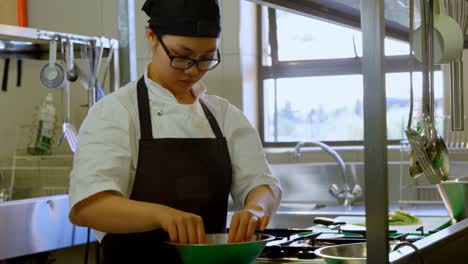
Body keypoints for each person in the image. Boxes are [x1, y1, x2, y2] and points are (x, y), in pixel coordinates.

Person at [68, 0, 282, 262]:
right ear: (152, 37)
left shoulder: (224, 115)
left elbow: (262, 183)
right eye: (182, 56)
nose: (193, 71)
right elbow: (88, 207)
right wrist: (162, 215)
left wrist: (256, 209)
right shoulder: (116, 112)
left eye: (206, 59)